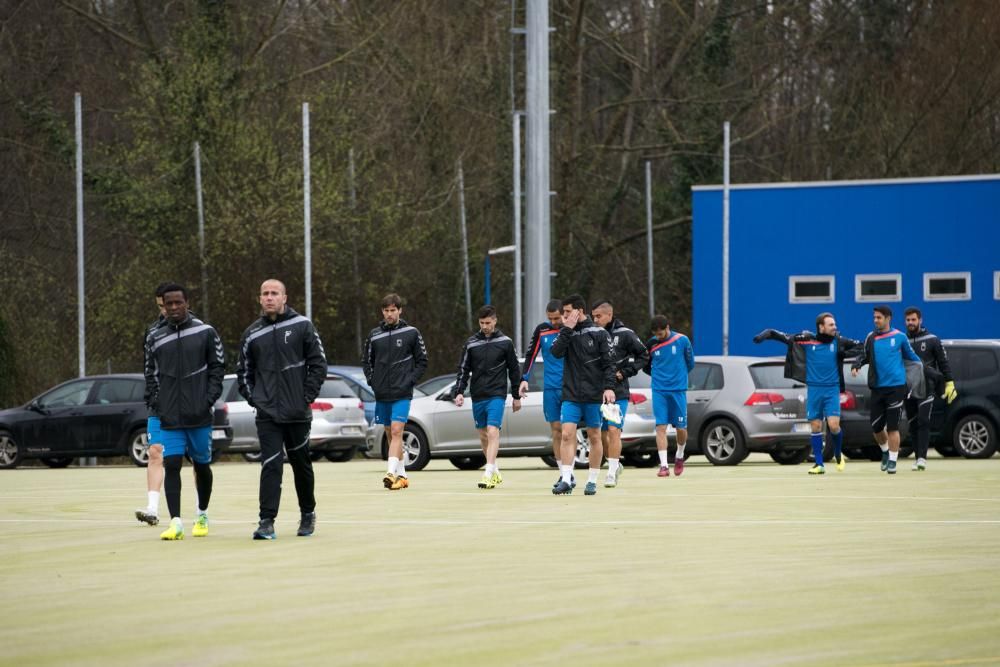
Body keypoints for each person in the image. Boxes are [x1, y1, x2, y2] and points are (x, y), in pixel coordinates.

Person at [238, 279, 327, 540]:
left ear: (284, 297)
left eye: (274, 293)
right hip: (267, 415)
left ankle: (308, 514)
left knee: (301, 464)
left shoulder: (302, 325)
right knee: (270, 465)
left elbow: (319, 364)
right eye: (264, 293)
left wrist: (306, 396)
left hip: (298, 412)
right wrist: (256, 399)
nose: (269, 297)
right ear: (259, 299)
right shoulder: (251, 333)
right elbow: (243, 372)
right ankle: (266, 521)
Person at [143, 284, 225, 540]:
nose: (174, 307)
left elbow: (217, 368)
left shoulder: (205, 332)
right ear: (163, 306)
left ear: (187, 303)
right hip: (170, 417)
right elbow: (151, 374)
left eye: (179, 302)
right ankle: (176, 522)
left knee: (201, 465)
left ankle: (202, 514)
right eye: (169, 304)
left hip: (199, 415)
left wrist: (208, 400)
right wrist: (159, 404)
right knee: (172, 465)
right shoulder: (155, 337)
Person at [753, 313, 863, 474]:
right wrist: (763, 336)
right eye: (831, 325)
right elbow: (781, 336)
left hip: (832, 389)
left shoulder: (839, 341)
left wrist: (851, 359)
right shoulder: (806, 339)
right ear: (821, 327)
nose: (835, 327)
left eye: (835, 324)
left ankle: (838, 455)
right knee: (816, 426)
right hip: (814, 389)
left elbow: (861, 347)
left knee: (833, 426)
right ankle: (819, 464)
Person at [550, 294, 616, 496]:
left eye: (568, 312)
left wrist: (609, 387)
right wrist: (567, 329)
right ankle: (567, 479)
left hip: (593, 395)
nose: (564, 316)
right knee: (567, 434)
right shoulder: (565, 332)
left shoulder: (599, 333)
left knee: (595, 436)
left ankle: (592, 480)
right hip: (571, 394)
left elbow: (609, 364)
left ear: (579, 311)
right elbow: (555, 352)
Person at [451, 305, 522, 488]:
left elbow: (514, 370)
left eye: (488, 323)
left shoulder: (506, 342)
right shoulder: (471, 343)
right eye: (482, 323)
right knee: (483, 435)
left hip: (497, 394)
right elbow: (463, 370)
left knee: (492, 431)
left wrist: (516, 396)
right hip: (478, 395)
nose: (485, 326)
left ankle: (488, 472)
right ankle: (495, 471)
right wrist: (458, 391)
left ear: (495, 321)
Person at [362, 293, 428, 490]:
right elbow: (366, 361)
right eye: (386, 310)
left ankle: (390, 473)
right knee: (390, 433)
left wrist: (409, 381)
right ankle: (403, 475)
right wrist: (372, 381)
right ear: (382, 311)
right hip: (382, 393)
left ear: (400, 310)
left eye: (393, 310)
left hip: (402, 393)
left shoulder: (412, 333)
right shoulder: (374, 335)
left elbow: (422, 361)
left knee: (398, 430)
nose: (389, 314)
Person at [851, 305, 923, 475]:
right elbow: (864, 355)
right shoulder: (871, 337)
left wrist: (918, 379)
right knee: (876, 427)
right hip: (877, 388)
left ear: (888, 318)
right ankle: (884, 451)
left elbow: (914, 360)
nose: (876, 320)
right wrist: (857, 365)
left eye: (879, 317)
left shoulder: (900, 337)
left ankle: (892, 460)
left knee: (892, 427)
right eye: (874, 317)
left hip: (896, 388)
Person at [590, 300, 648, 488]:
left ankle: (611, 474)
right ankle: (615, 464)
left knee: (614, 430)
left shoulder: (625, 334)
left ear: (609, 315)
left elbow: (644, 355)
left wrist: (625, 372)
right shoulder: (590, 333)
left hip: (618, 392)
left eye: (598, 316)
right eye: (593, 316)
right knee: (602, 434)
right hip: (596, 392)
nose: (595, 319)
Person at [518, 300, 566, 488]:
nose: (554, 322)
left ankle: (572, 471)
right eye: (550, 318)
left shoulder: (570, 330)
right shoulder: (542, 330)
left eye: (557, 318)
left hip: (571, 388)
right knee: (556, 430)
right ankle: (563, 473)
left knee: (569, 431)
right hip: (551, 388)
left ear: (564, 314)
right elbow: (531, 354)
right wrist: (524, 378)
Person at [904, 307, 955, 471]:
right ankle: (917, 456)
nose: (910, 323)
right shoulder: (902, 340)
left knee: (924, 420)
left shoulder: (932, 339)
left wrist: (949, 382)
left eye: (913, 320)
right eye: (908, 320)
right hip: (909, 388)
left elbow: (943, 362)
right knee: (912, 424)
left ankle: (922, 458)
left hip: (927, 387)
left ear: (920, 320)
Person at [135, 283, 169, 525]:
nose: (165, 310)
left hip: (189, 406)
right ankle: (152, 509)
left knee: (196, 460)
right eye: (160, 306)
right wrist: (152, 397)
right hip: (159, 406)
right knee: (155, 452)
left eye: (167, 304)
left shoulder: (199, 329)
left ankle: (202, 513)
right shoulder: (152, 332)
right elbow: (148, 369)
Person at [644, 315, 695, 478]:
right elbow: (645, 364)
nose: (658, 337)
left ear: (667, 328)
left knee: (681, 428)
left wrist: (677, 376)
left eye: (661, 334)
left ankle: (680, 455)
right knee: (660, 427)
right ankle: (664, 466)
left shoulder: (682, 340)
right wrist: (658, 376)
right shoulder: (651, 343)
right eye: (656, 334)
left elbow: (690, 363)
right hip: (659, 390)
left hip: (678, 390)